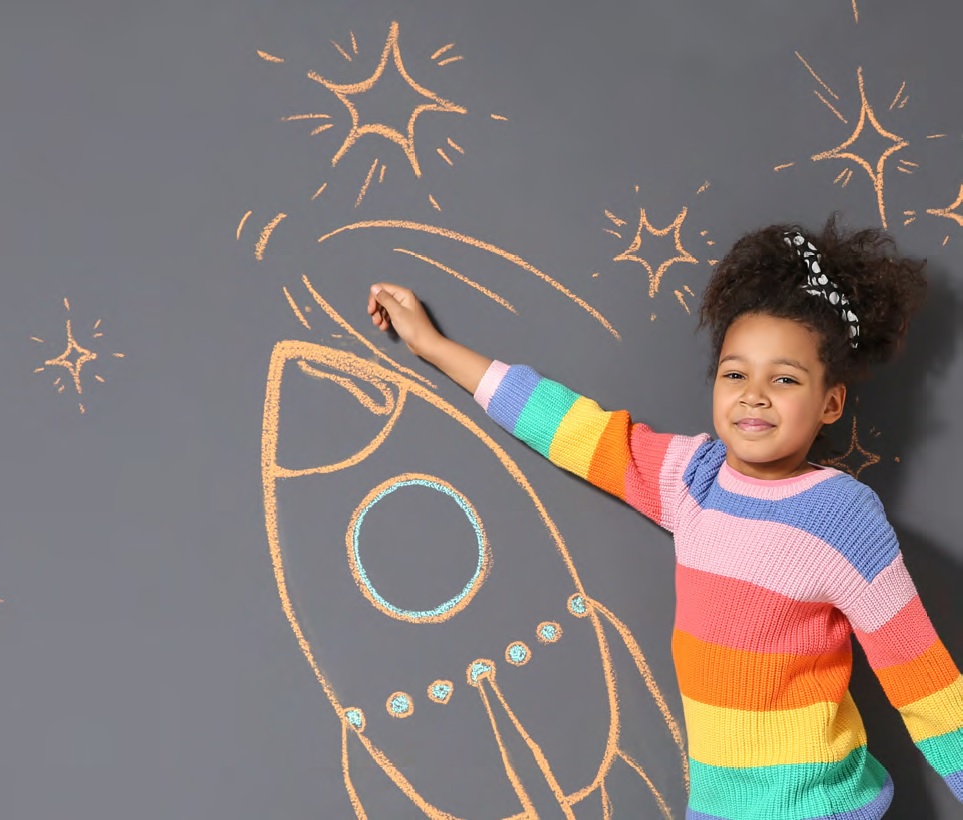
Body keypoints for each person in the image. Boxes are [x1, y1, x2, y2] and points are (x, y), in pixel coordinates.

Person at [364, 216, 963, 819]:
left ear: (830, 402)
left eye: (784, 378)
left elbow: (924, 682)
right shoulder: (691, 478)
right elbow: (570, 426)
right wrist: (434, 348)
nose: (754, 394)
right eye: (736, 373)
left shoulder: (841, 518)